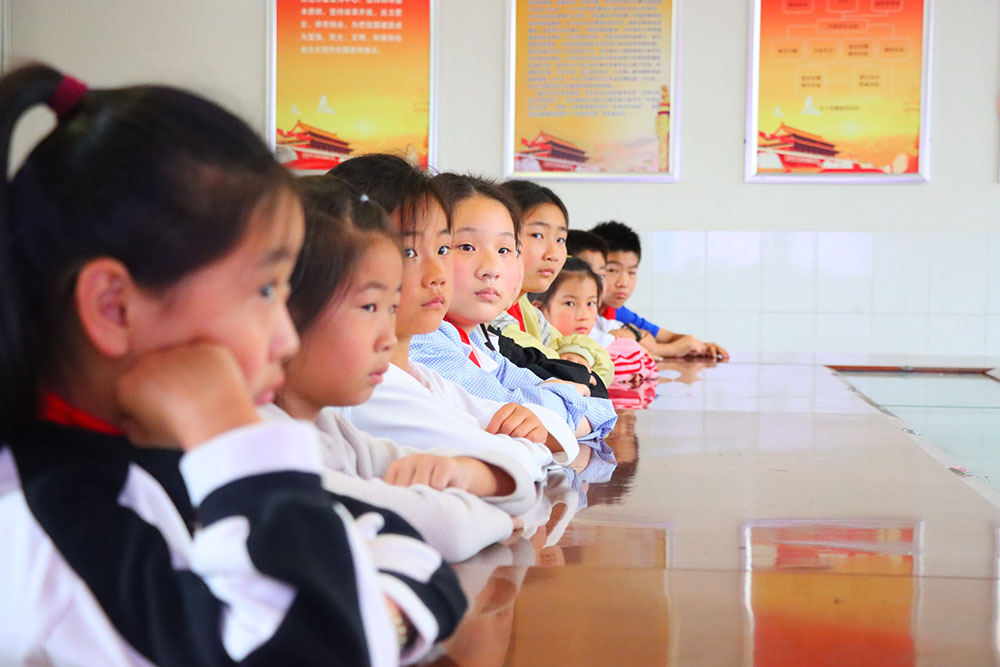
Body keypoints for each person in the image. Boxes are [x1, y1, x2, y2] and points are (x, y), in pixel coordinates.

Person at [0, 65, 464, 665]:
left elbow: (420, 559)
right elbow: (316, 646)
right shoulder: (49, 528)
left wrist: (370, 621)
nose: (286, 339)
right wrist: (226, 428)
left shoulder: (172, 454)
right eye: (266, 291)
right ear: (114, 308)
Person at [330, 155, 581, 478]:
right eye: (409, 252)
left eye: (443, 249)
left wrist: (539, 435)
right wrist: (528, 448)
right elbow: (513, 465)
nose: (437, 274)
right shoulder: (369, 387)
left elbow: (557, 436)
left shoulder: (420, 375)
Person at [408, 173, 617, 445]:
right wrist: (555, 406)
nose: (491, 269)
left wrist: (551, 414)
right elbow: (511, 417)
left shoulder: (474, 342)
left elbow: (602, 411)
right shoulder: (422, 339)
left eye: (505, 250)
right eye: (467, 247)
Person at [491, 180, 614, 385]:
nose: (554, 254)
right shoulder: (487, 313)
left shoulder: (526, 308)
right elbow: (555, 370)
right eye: (537, 235)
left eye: (560, 240)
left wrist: (579, 354)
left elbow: (597, 360)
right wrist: (580, 373)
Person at [589, 221, 730, 361]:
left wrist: (700, 347)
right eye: (612, 270)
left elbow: (668, 337)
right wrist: (671, 349)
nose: (623, 283)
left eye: (631, 272)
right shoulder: (579, 313)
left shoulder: (617, 311)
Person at [529, 258, 657, 387]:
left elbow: (645, 361)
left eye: (591, 303)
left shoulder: (603, 343)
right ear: (539, 309)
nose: (584, 315)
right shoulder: (531, 347)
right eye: (570, 303)